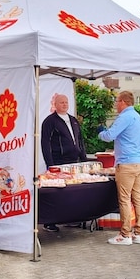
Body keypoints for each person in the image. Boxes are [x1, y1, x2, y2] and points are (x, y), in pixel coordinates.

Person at [98, 91, 140, 245]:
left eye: (116, 101)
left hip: (126, 164)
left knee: (124, 199)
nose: (115, 104)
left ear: (123, 102)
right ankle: (139, 233)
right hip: (139, 161)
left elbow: (110, 135)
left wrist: (100, 132)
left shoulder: (124, 117)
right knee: (138, 198)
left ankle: (125, 235)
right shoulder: (139, 118)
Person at [40, 94, 86, 232]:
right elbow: (45, 143)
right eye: (61, 102)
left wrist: (83, 158)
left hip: (74, 161)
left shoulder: (73, 120)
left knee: (73, 192)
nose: (65, 105)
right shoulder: (49, 121)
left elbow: (80, 140)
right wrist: (50, 164)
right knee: (57, 193)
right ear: (55, 104)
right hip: (58, 162)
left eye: (66, 102)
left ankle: (71, 219)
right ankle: (50, 222)